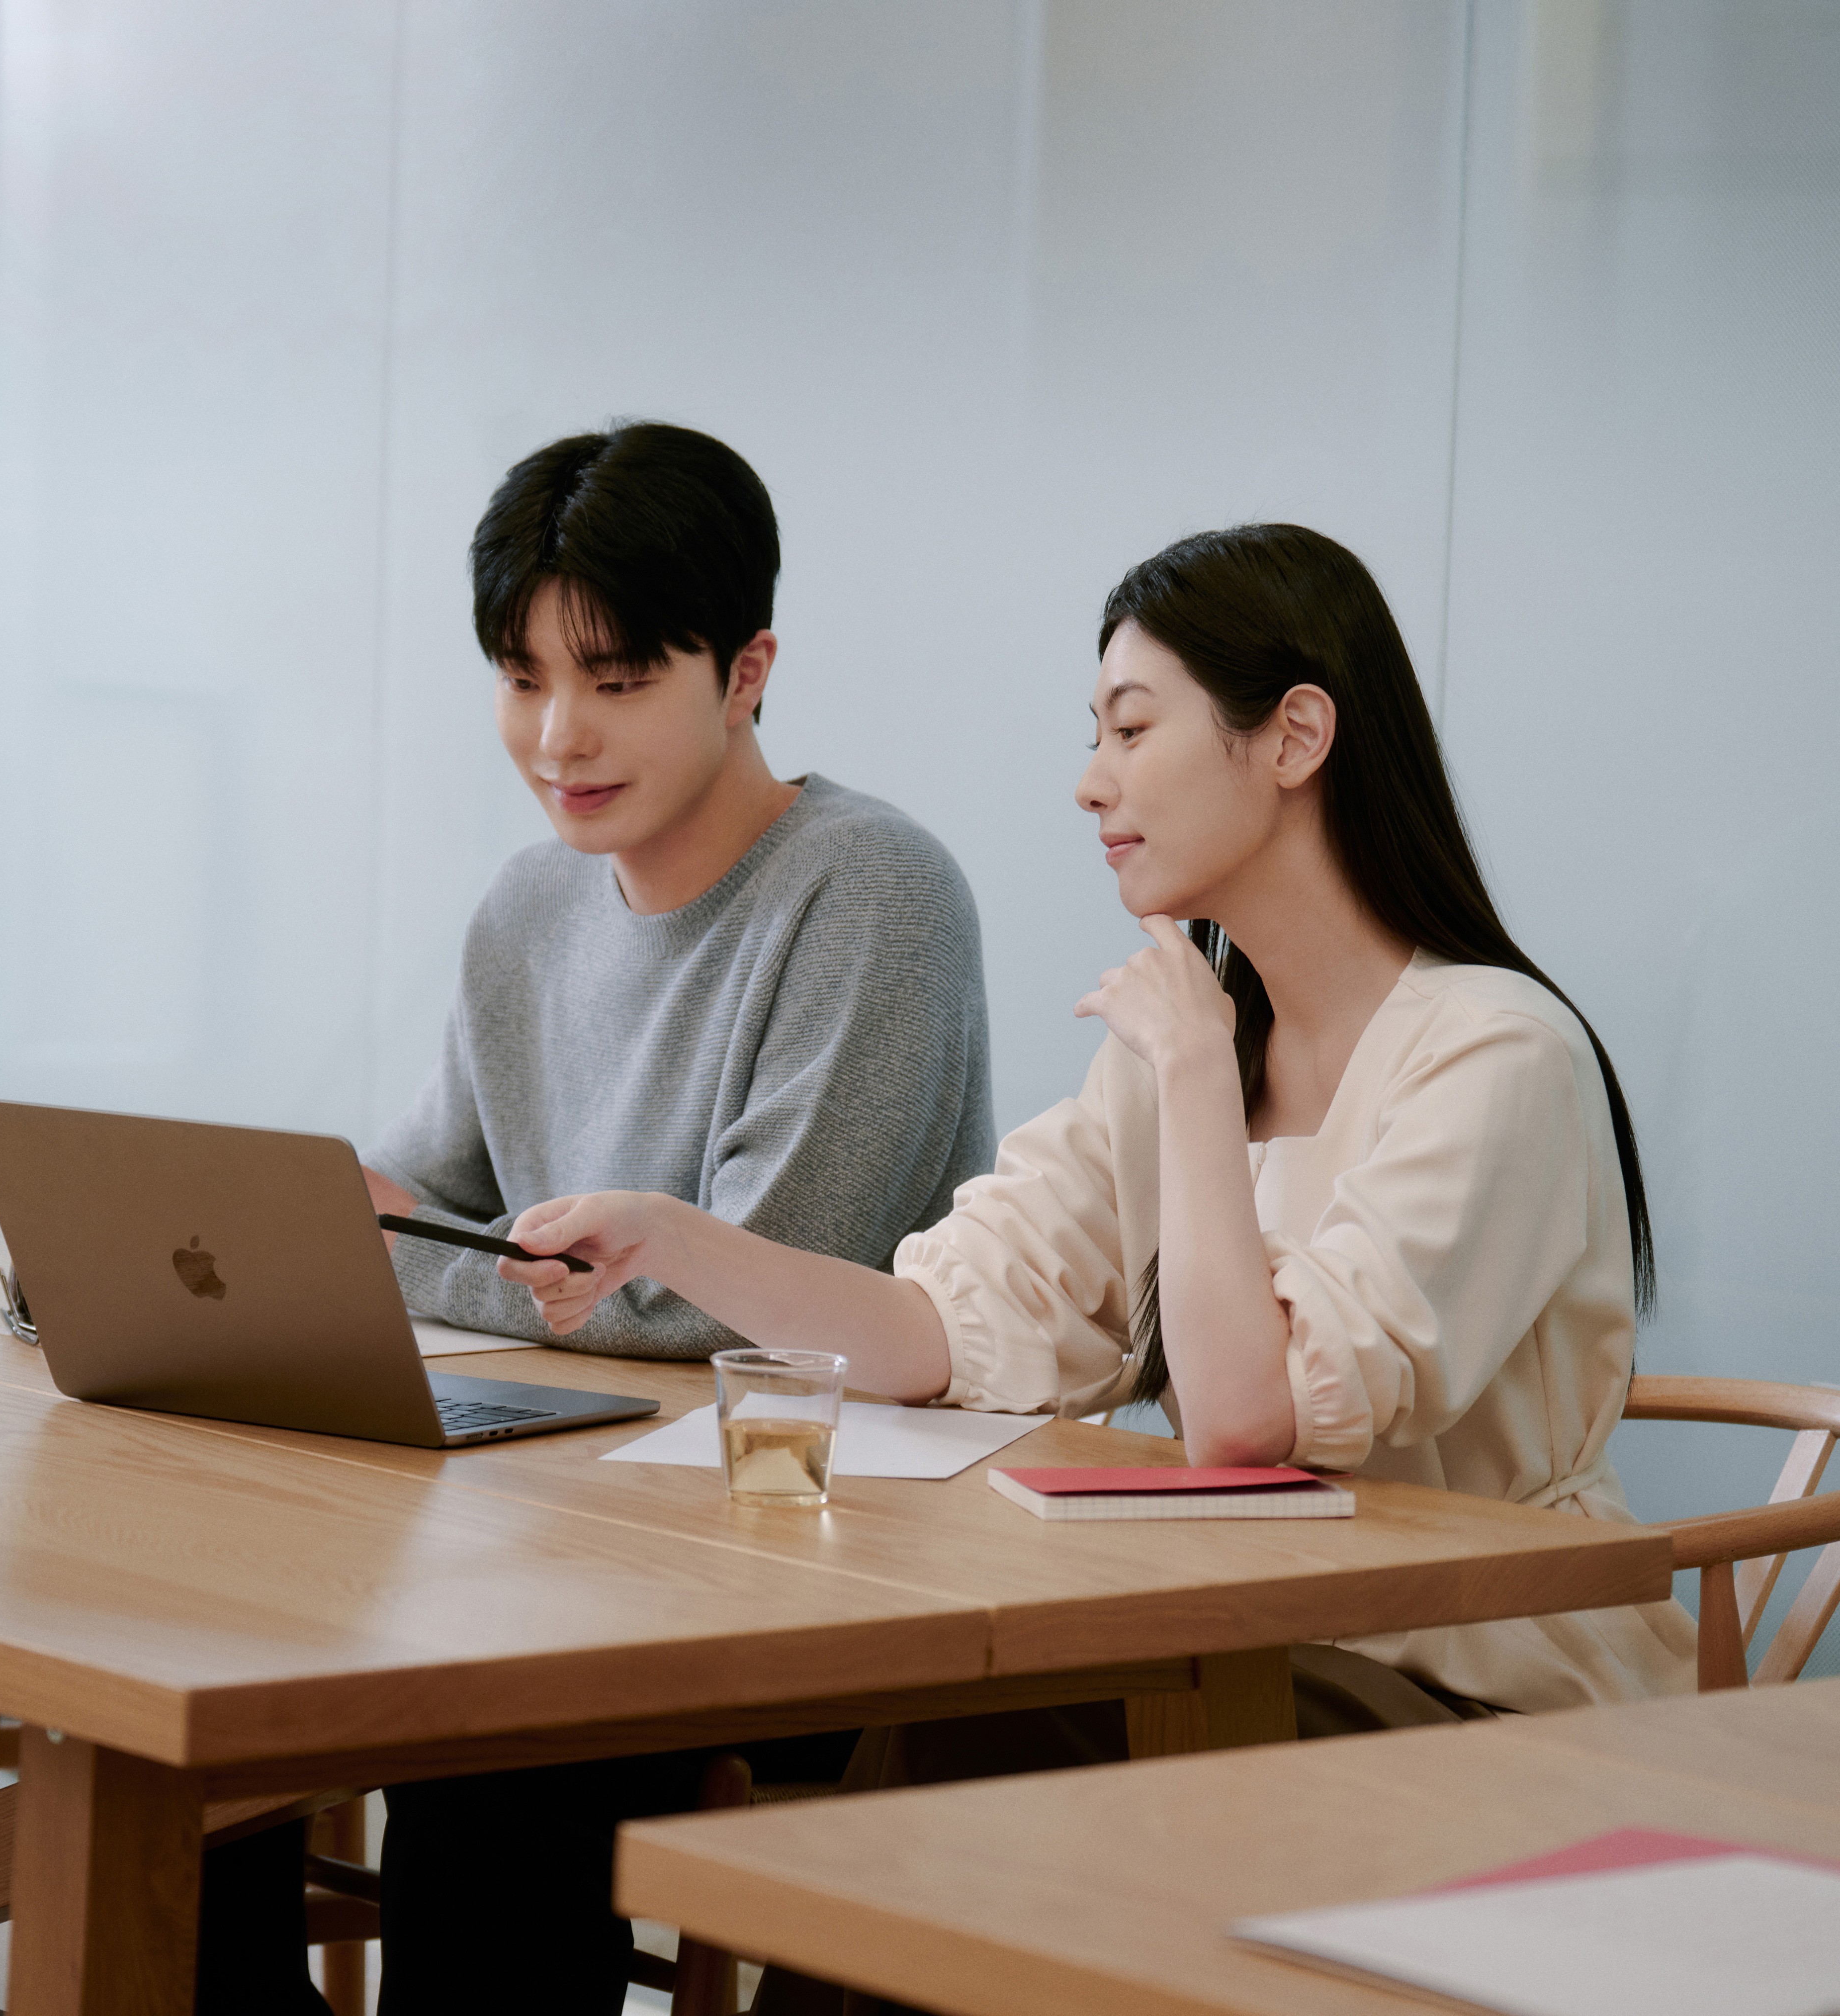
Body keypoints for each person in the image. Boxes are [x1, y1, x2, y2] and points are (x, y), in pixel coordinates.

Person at [503, 523, 1699, 1728]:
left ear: (1294, 736)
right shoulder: (1183, 1045)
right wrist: (665, 1239)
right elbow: (930, 1337)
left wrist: (1189, 1071)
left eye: (1131, 729)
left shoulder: (1494, 1053)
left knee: (983, 1740)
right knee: (941, 1718)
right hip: (1245, 1626)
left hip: (1467, 1673)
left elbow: (1242, 1428)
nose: (1090, 780)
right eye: (1095, 737)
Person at [198, 422, 998, 2014]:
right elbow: (422, 1204)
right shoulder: (528, 906)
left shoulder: (872, 893)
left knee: (486, 1721)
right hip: (566, 1521)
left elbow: (725, 1307)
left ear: (747, 668)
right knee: (192, 1659)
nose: (559, 733)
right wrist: (338, 1233)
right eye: (521, 676)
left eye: (618, 680)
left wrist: (413, 1254)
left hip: (801, 1556)